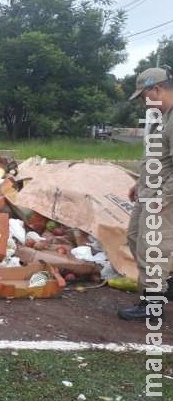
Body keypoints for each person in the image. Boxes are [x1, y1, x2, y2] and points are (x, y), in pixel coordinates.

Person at [117, 66, 173, 321]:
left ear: (156, 89)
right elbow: (157, 159)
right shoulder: (163, 118)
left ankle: (152, 303)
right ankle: (160, 288)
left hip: (163, 197)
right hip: (148, 191)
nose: (143, 102)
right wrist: (139, 183)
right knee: (135, 237)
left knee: (151, 246)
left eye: (143, 96)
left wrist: (162, 197)